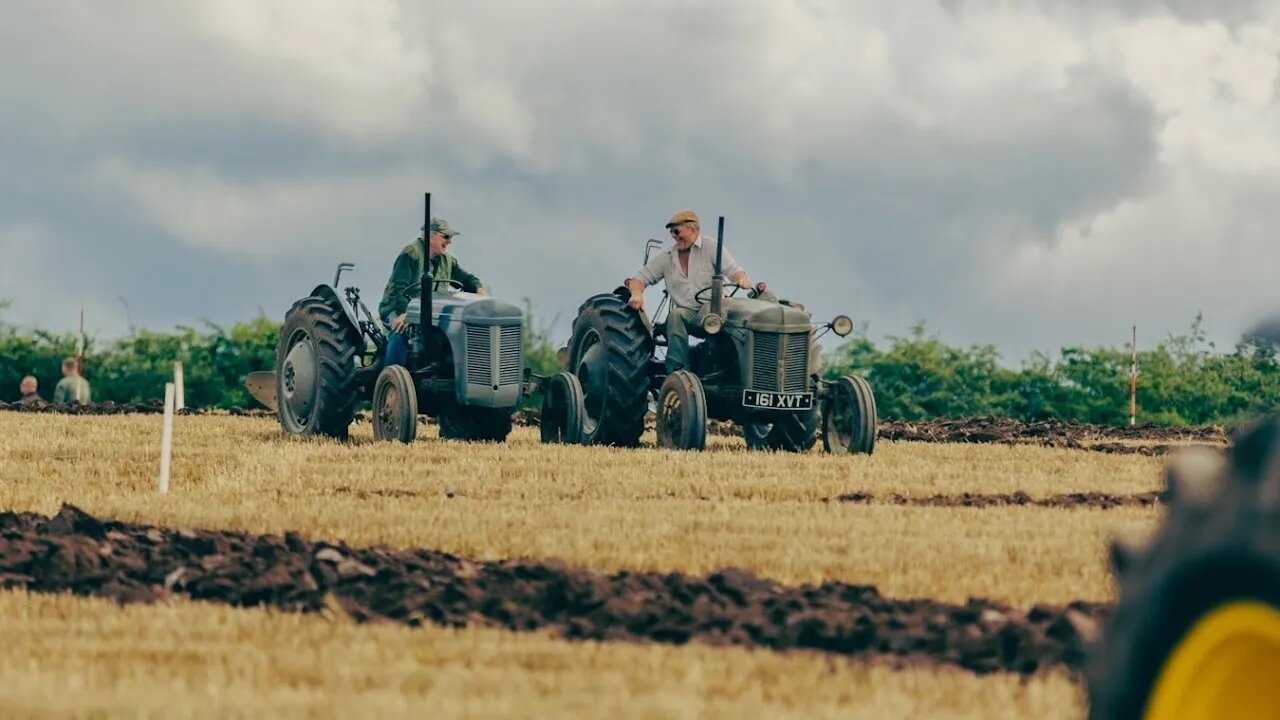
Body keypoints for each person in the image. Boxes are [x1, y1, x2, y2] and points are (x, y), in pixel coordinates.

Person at [626, 210, 753, 374]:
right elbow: (639, 279)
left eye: (677, 231)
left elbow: (734, 271)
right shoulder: (667, 257)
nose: (674, 236)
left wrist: (741, 279)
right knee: (676, 315)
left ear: (692, 229)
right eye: (671, 232)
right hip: (691, 315)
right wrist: (637, 294)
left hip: (717, 312)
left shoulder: (711, 247)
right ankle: (678, 371)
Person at [377, 217, 488, 367]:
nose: (449, 241)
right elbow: (398, 290)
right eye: (446, 236)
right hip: (398, 308)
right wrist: (405, 314)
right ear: (431, 235)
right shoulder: (411, 254)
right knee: (400, 331)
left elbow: (467, 279)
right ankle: (390, 379)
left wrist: (479, 291)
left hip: (432, 313)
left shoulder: (447, 260)